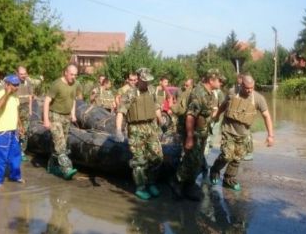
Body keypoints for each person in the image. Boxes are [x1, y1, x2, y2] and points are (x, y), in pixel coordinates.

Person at [209, 75, 275, 191]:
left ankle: (228, 179)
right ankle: (215, 170)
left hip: (243, 134)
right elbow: (224, 105)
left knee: (237, 158)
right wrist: (217, 115)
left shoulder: (258, 99)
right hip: (228, 130)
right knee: (227, 155)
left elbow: (266, 116)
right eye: (247, 88)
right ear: (241, 85)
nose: (249, 90)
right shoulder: (232, 92)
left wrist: (270, 135)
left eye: (252, 88)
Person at [170, 69, 223, 201]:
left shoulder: (209, 93)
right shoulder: (198, 93)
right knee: (190, 160)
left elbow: (208, 115)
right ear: (211, 80)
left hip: (202, 133)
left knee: (197, 160)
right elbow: (190, 116)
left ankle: (189, 185)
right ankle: (177, 182)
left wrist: (222, 108)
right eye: (219, 80)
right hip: (194, 133)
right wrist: (189, 137)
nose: (221, 83)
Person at [115, 68, 165, 200]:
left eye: (148, 80)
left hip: (151, 127)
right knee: (139, 160)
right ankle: (141, 187)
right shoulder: (130, 94)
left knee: (157, 157)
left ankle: (151, 182)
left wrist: (162, 122)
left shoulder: (152, 90)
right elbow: (121, 112)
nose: (147, 83)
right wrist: (118, 130)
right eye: (144, 80)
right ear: (138, 78)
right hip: (136, 130)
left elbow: (157, 108)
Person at [43, 64, 79, 180]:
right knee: (60, 143)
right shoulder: (57, 84)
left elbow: (73, 100)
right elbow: (47, 101)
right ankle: (66, 168)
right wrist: (46, 120)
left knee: (59, 143)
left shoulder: (75, 84)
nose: (73, 77)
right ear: (66, 73)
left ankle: (52, 165)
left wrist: (73, 114)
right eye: (72, 74)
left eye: (75, 75)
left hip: (67, 117)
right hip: (55, 115)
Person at [0, 75, 24, 188]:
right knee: (0, 156)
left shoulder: (15, 97)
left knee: (15, 155)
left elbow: (16, 112)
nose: (16, 87)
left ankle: (15, 176)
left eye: (18, 85)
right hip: (3, 131)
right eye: (14, 85)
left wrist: (20, 125)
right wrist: (7, 93)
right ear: (7, 84)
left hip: (14, 130)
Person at [16, 66, 33, 162]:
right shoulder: (14, 83)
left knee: (25, 130)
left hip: (25, 107)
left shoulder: (28, 82)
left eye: (25, 74)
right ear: (17, 74)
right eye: (21, 74)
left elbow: (30, 96)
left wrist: (30, 110)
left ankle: (22, 151)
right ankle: (15, 150)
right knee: (16, 129)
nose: (23, 76)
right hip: (16, 108)